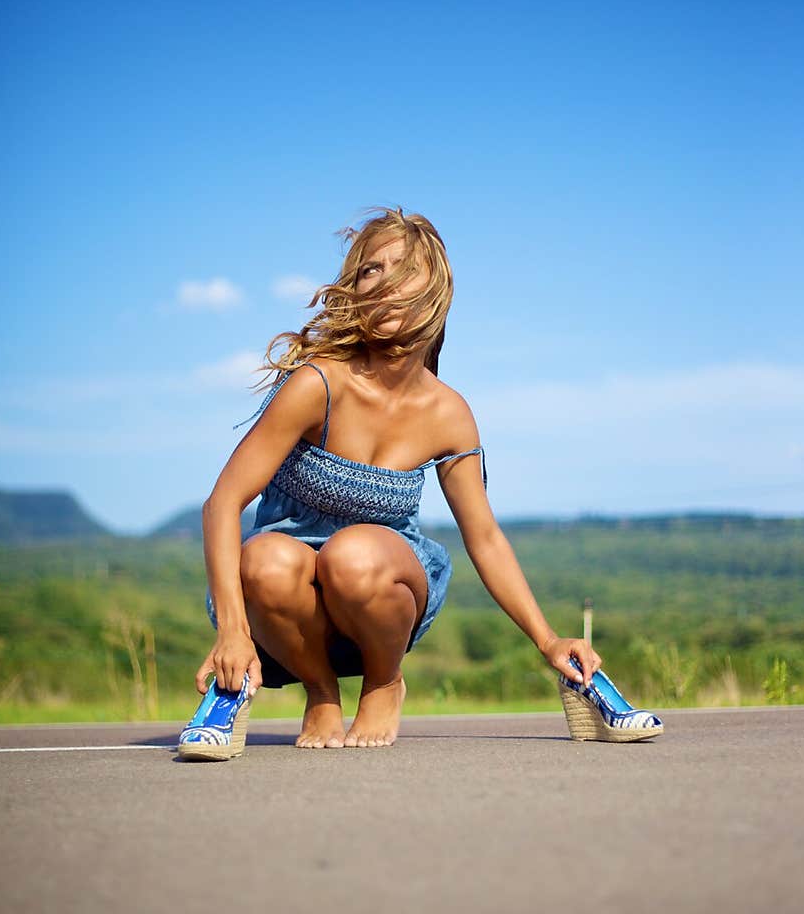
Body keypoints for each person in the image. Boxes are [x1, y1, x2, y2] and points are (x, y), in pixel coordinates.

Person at [196, 205, 602, 749]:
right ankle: (320, 693)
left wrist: (548, 639)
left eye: (404, 270)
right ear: (354, 289)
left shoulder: (449, 414)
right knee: (265, 558)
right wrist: (232, 632)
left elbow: (483, 537)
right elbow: (223, 503)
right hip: (288, 619)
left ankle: (384, 682)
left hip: (379, 598)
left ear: (435, 293)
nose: (385, 284)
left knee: (355, 552)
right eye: (371, 270)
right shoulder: (316, 385)